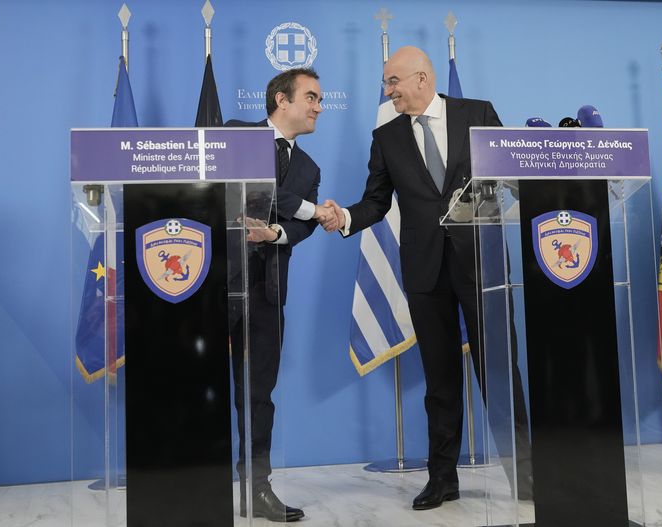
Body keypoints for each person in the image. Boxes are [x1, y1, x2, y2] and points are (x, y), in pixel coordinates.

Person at [320, 46, 532, 510]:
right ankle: (443, 479)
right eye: (385, 84)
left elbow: (512, 175)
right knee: (440, 379)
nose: (388, 90)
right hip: (424, 271)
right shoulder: (387, 135)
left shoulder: (477, 113)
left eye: (393, 82)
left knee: (499, 370)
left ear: (421, 78)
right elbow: (375, 201)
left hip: (482, 265)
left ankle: (528, 475)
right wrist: (345, 219)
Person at [226, 67, 334, 522]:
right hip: (208, 283)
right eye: (310, 97)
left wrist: (276, 234)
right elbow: (261, 191)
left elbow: (300, 227)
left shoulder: (310, 168)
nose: (318, 107)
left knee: (258, 395)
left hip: (268, 290)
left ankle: (257, 488)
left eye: (320, 99)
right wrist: (313, 208)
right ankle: (183, 480)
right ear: (280, 100)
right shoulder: (233, 136)